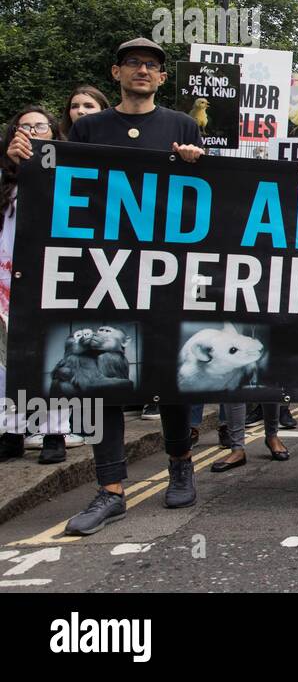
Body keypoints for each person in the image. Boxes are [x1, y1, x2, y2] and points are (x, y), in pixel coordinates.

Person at [5, 39, 206, 534]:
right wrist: (18, 161)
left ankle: (180, 464)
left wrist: (198, 160)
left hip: (165, 274)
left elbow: (209, 197)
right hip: (102, 273)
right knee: (102, 384)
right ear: (117, 72)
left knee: (170, 375)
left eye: (153, 66)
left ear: (162, 78)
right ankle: (110, 488)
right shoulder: (89, 128)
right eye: (134, 63)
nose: (143, 70)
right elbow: (52, 187)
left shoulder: (181, 126)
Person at [0, 107, 84, 465]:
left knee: (55, 354)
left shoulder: (70, 174)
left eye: (41, 126)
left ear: (54, 132)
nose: (33, 131)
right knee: (7, 359)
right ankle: (11, 429)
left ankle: (55, 431)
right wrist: (12, 166)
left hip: (56, 275)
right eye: (25, 127)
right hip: (7, 277)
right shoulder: (5, 177)